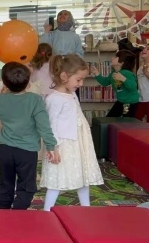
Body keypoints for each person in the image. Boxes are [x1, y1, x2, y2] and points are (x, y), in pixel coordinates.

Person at [0, 62, 56, 210]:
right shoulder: (35, 100)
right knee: (27, 186)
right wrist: (51, 146)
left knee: (5, 184)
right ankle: (18, 213)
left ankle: (4, 214)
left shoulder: (2, 99)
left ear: (5, 84)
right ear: (27, 83)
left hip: (6, 150)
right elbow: (44, 126)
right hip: (27, 152)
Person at [41, 54, 104, 211]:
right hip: (63, 146)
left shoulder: (71, 94)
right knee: (57, 179)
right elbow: (51, 125)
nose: (81, 84)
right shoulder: (54, 99)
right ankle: (47, 211)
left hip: (79, 142)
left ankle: (86, 208)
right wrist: (53, 148)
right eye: (78, 80)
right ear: (64, 76)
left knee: (83, 176)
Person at [91, 50, 139, 117]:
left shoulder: (127, 73)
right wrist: (97, 74)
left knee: (125, 121)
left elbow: (133, 87)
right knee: (110, 119)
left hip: (128, 103)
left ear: (121, 62)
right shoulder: (113, 72)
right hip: (120, 101)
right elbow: (105, 82)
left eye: (116, 57)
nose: (112, 58)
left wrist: (123, 79)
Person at [135, 47, 149, 122]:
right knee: (137, 121)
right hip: (140, 99)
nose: (144, 50)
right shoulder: (140, 68)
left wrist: (146, 72)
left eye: (148, 49)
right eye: (144, 48)